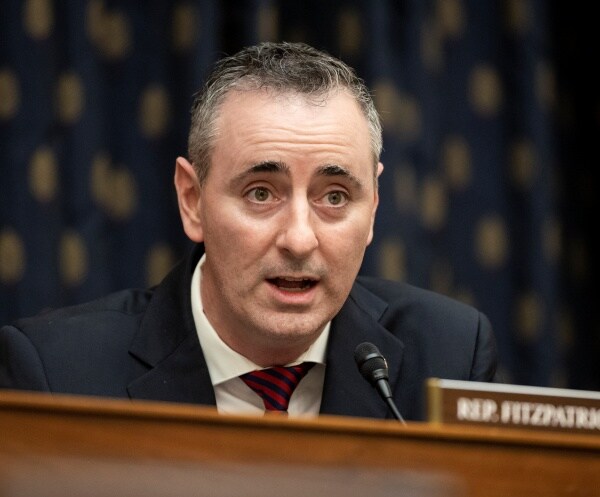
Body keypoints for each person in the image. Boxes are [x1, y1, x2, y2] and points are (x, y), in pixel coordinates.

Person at [0, 42, 497, 421]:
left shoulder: (450, 354)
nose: (300, 240)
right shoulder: (55, 377)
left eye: (335, 197)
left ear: (374, 208)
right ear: (192, 201)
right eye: (261, 193)